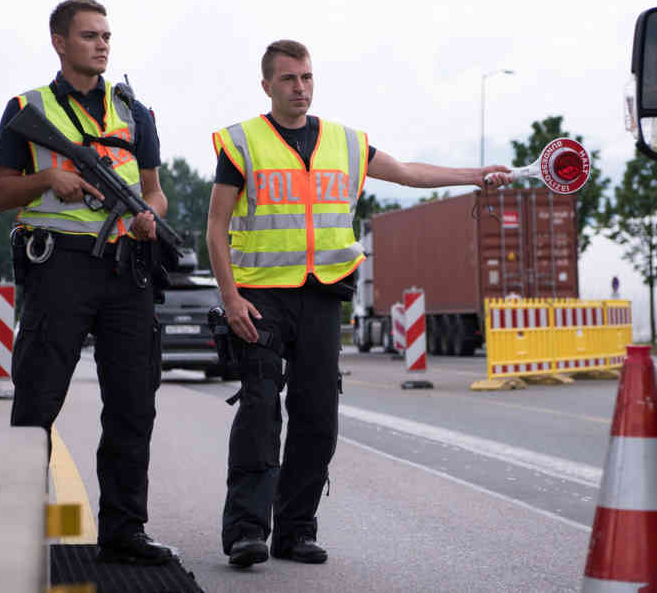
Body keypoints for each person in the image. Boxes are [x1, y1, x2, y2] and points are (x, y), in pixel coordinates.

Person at [206, 39, 513, 568]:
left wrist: (474, 177)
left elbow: (410, 174)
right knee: (260, 408)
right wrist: (230, 298)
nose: (299, 88)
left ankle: (296, 531)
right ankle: (246, 531)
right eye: (288, 79)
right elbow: (215, 225)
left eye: (306, 77)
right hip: (259, 297)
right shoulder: (242, 143)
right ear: (266, 86)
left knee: (317, 415)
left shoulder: (344, 143)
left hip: (323, 295)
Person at [0, 0, 173, 565]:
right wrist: (49, 179)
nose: (102, 45)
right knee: (38, 399)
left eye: (107, 36)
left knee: (132, 404)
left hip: (126, 270)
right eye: (90, 35)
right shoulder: (27, 107)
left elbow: (155, 190)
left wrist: (148, 218)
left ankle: (123, 531)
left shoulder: (134, 112)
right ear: (59, 42)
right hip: (59, 267)